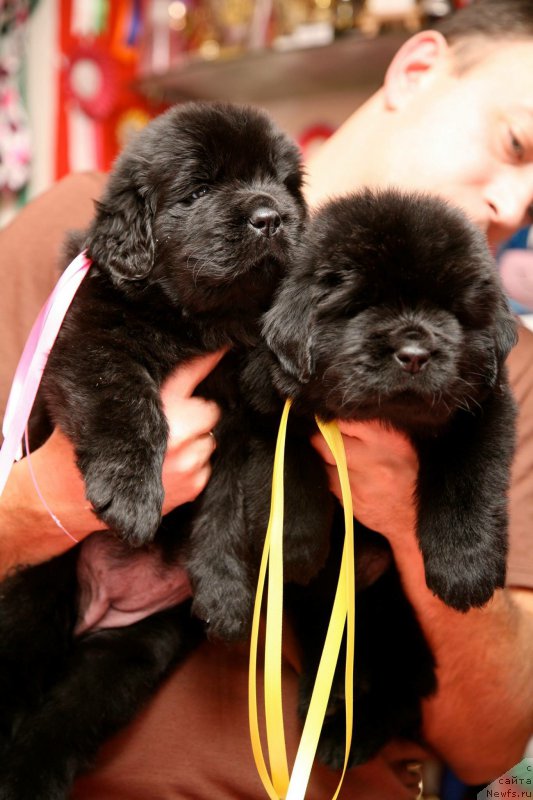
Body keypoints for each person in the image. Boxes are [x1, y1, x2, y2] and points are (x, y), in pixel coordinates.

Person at [2, 1, 533, 796]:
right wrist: (47, 501)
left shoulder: (500, 362)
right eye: (515, 144)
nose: (515, 205)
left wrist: (408, 521)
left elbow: (494, 744)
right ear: (417, 69)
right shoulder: (91, 231)